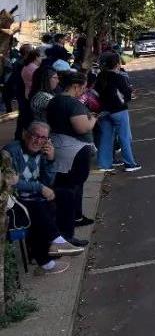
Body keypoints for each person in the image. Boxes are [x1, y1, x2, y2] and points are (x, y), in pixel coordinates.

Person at [4, 122, 84, 275]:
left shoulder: (41, 152)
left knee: (66, 195)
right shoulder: (11, 151)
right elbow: (11, 182)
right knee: (38, 208)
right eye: (35, 136)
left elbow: (48, 182)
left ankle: (64, 239)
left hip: (33, 197)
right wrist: (39, 188)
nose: (39, 141)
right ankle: (49, 257)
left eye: (43, 138)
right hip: (14, 200)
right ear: (25, 134)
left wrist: (50, 160)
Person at [45, 72, 98, 246]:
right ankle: (67, 234)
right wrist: (92, 120)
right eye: (83, 88)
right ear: (75, 86)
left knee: (63, 192)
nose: (84, 91)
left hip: (59, 149)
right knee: (69, 193)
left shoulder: (54, 101)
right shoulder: (73, 104)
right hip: (74, 152)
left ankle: (63, 232)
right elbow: (82, 128)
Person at [94, 52, 139, 171]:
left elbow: (95, 94)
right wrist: (129, 95)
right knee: (125, 137)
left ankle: (104, 164)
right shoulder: (119, 77)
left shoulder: (100, 77)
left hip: (103, 111)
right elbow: (126, 95)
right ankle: (129, 163)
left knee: (106, 138)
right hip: (119, 110)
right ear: (117, 64)